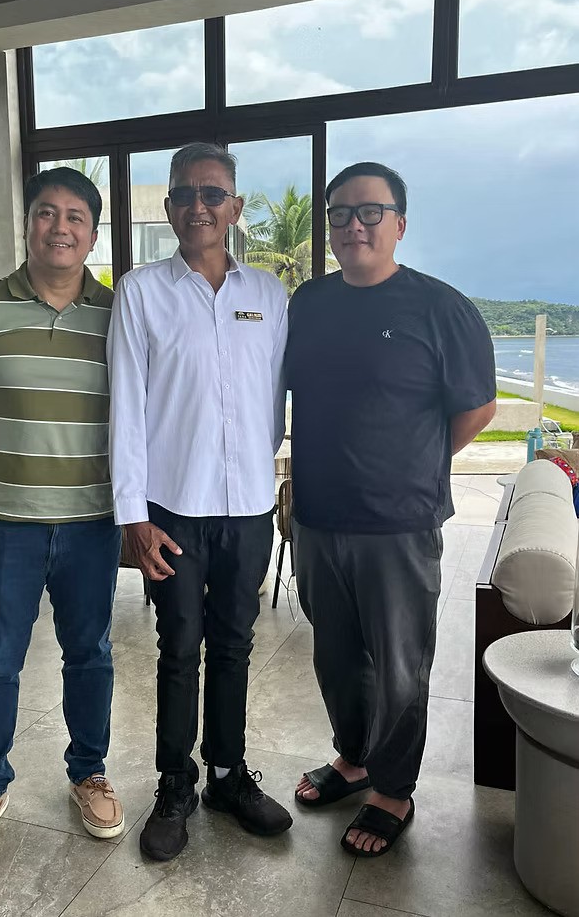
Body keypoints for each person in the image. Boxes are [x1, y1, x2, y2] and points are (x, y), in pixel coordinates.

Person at [286, 161, 496, 858]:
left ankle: (393, 790)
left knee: (401, 664)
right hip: (317, 516)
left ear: (399, 223)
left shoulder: (441, 308)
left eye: (370, 212)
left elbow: (476, 409)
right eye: (340, 214)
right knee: (336, 654)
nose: (354, 225)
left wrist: (412, 463)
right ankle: (353, 759)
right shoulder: (309, 303)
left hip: (400, 523)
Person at [108, 142, 292, 862]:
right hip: (173, 506)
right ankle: (174, 783)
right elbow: (127, 408)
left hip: (247, 505)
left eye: (213, 194)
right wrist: (133, 514)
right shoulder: (140, 292)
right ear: (168, 207)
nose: (198, 206)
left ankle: (227, 775)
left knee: (236, 643)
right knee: (180, 646)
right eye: (184, 194)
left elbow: (277, 397)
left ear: (235, 208)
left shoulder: (268, 294)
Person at [0, 166, 123, 862]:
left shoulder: (119, 316)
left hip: (90, 520)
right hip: (2, 520)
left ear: (94, 234)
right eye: (47, 212)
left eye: (76, 216)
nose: (60, 227)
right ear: (28, 223)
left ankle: (89, 773)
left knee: (90, 654)